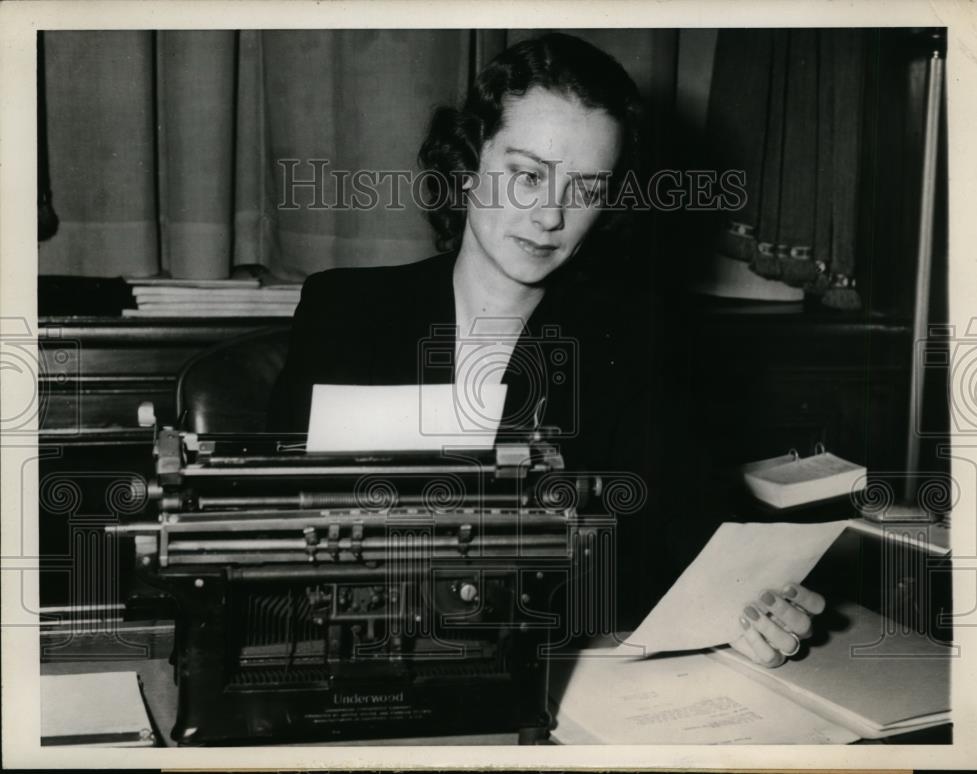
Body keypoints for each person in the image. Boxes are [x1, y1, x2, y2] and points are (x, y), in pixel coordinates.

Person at [267, 32, 822, 668]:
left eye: (584, 189)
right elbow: (278, 537)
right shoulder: (345, 312)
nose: (550, 215)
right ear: (469, 158)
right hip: (365, 671)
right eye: (528, 175)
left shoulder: (637, 340)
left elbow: (690, 536)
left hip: (555, 681)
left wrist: (755, 607)